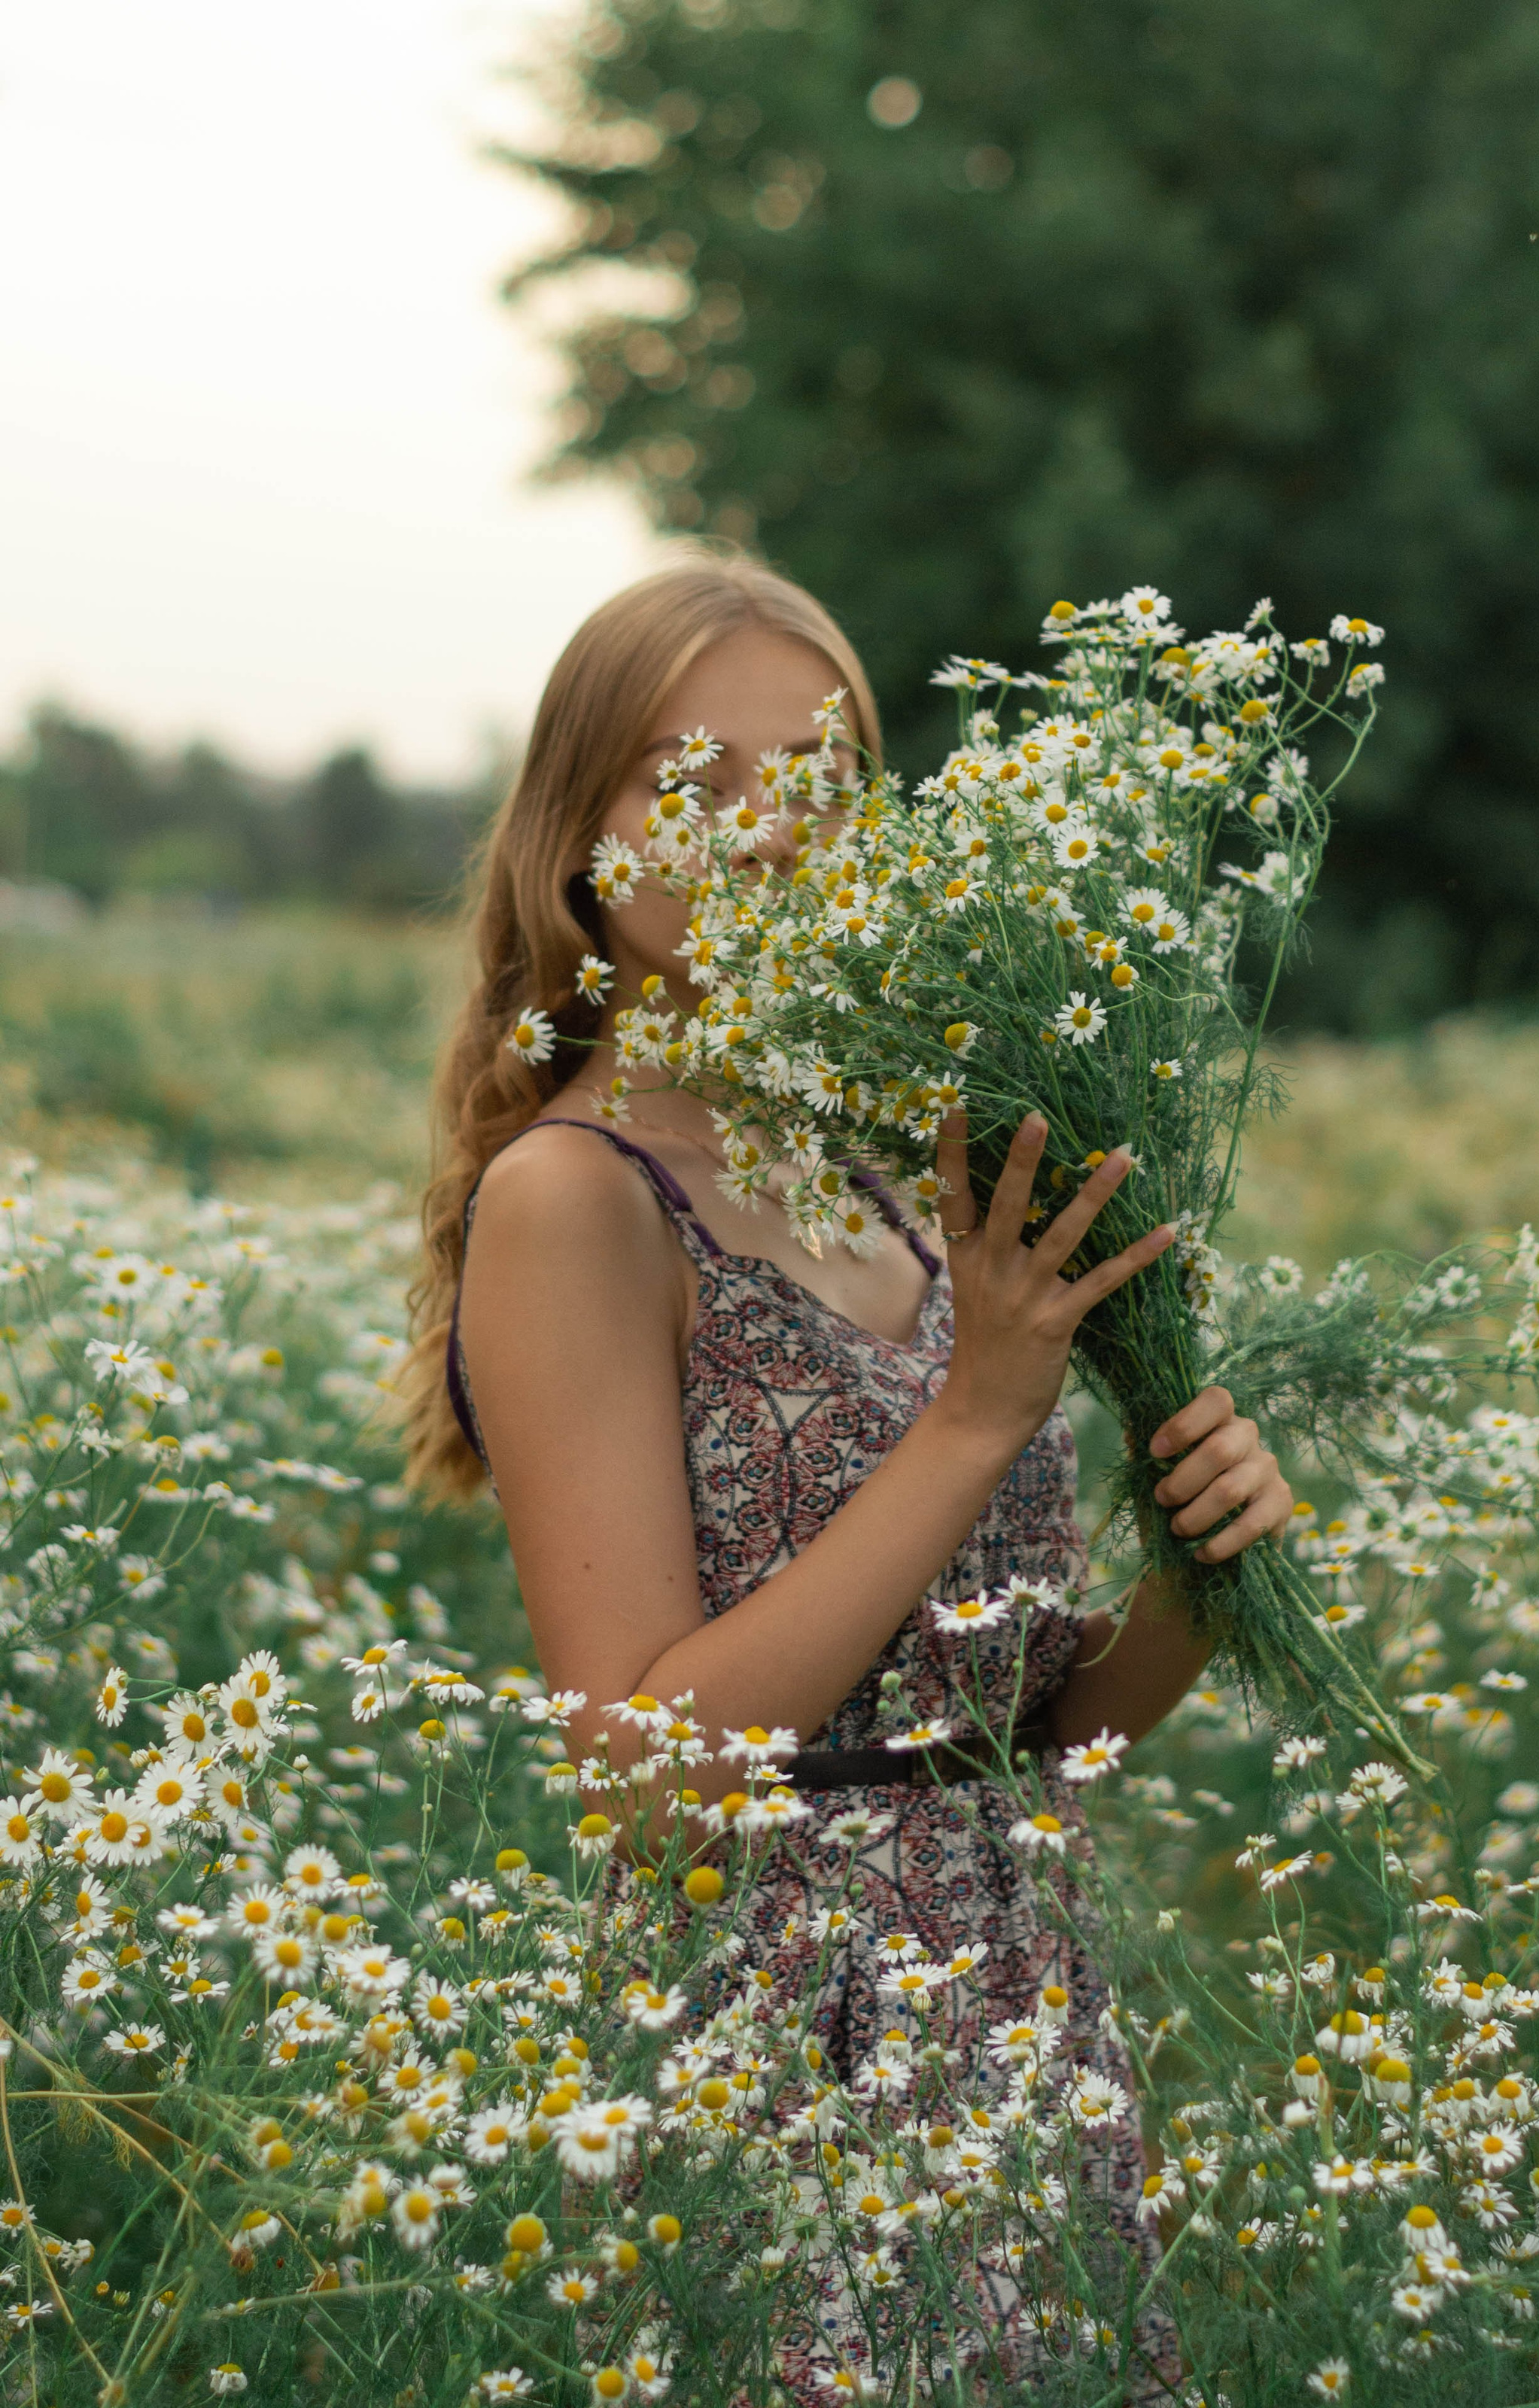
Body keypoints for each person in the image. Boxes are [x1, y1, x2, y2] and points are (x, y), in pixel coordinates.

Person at [404, 549, 1294, 2384]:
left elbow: (1028, 1742)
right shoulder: (574, 1199)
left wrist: (1199, 1582)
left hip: (1024, 2019)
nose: (756, 826)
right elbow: (648, 1781)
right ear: (575, 825)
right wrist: (975, 1412)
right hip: (778, 2051)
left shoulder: (902, 1176)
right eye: (686, 776)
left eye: (809, 777)